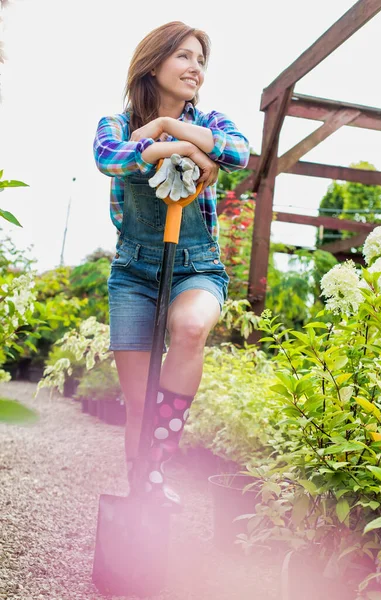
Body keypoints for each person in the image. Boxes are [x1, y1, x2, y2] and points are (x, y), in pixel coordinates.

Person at [93, 21, 250, 511]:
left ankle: (158, 468)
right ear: (154, 63)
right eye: (184, 57)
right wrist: (180, 149)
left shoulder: (214, 123)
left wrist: (167, 129)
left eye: (200, 61)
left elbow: (238, 152)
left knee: (191, 325)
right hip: (134, 272)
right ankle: (142, 493)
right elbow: (108, 157)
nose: (195, 69)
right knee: (140, 406)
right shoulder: (115, 125)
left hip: (196, 266)